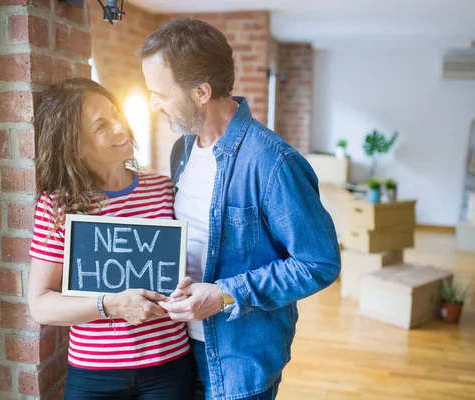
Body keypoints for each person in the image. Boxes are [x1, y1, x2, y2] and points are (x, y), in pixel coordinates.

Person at [138, 19, 341, 400]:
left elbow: (320, 263)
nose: (153, 104)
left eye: (159, 93)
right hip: (178, 348)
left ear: (201, 91)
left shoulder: (273, 162)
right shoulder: (182, 150)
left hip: (239, 360)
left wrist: (224, 294)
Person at [27, 78, 196, 399]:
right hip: (95, 374)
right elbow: (40, 305)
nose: (120, 127)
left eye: (117, 114)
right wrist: (111, 304)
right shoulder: (59, 206)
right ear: (74, 144)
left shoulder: (163, 190)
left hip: (169, 365)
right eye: (102, 125)